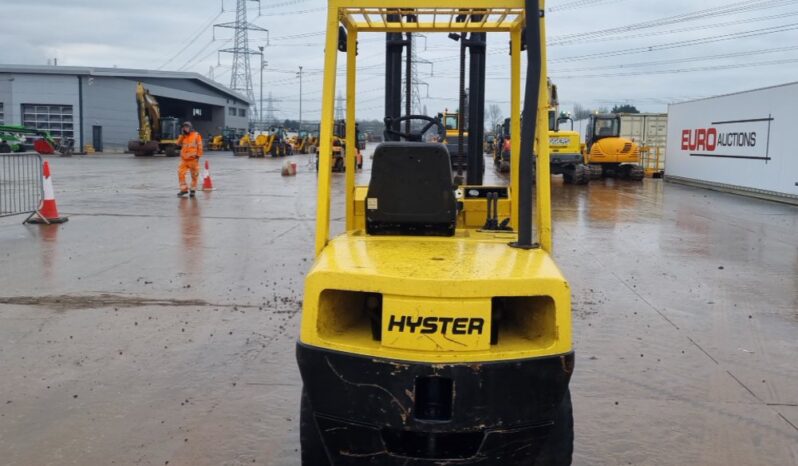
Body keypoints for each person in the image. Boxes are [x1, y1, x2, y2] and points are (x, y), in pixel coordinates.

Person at [176, 121, 203, 197]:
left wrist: (198, 156)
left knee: (194, 175)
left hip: (193, 159)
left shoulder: (196, 135)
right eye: (184, 127)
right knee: (181, 174)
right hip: (184, 160)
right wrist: (182, 135)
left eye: (187, 127)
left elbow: (200, 146)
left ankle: (193, 190)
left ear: (190, 127)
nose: (185, 128)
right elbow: (177, 143)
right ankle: (184, 190)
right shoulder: (183, 136)